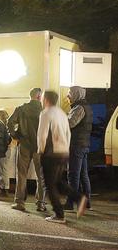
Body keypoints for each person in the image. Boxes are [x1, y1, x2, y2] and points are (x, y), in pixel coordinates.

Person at [37, 91, 87, 223]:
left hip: (50, 153)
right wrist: (65, 148)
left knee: (49, 184)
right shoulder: (61, 113)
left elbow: (42, 134)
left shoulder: (46, 113)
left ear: (46, 100)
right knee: (58, 182)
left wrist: (40, 150)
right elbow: (68, 133)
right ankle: (79, 198)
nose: (41, 100)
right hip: (63, 152)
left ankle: (59, 214)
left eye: (42, 98)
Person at [7, 88, 46, 212]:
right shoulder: (45, 111)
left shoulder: (21, 109)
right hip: (40, 147)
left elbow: (10, 122)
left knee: (22, 174)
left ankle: (20, 202)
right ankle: (40, 203)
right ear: (39, 97)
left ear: (30, 96)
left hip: (24, 144)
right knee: (41, 176)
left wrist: (16, 135)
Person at [64, 86, 93, 211]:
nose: (68, 96)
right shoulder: (86, 107)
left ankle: (70, 203)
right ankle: (86, 202)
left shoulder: (79, 108)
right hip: (84, 145)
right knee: (83, 175)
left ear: (76, 94)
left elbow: (70, 123)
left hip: (76, 145)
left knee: (73, 175)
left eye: (70, 93)